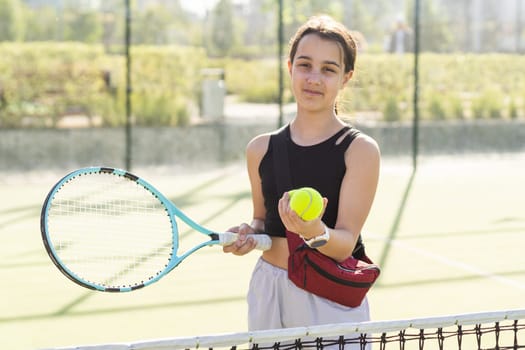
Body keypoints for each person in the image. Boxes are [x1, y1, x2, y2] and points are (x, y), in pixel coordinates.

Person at [223, 14, 380, 344]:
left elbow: (344, 244)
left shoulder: (359, 151)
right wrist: (249, 233)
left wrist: (314, 232)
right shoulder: (259, 149)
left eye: (328, 69)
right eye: (305, 65)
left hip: (327, 296)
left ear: (346, 78)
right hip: (268, 288)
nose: (314, 78)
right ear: (290, 66)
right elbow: (262, 220)